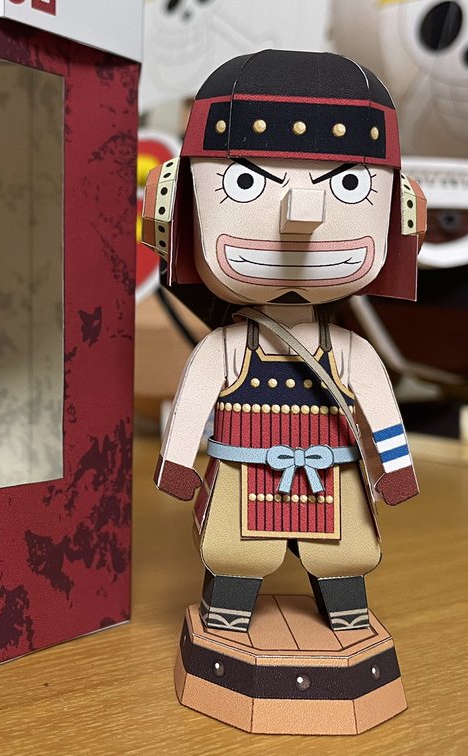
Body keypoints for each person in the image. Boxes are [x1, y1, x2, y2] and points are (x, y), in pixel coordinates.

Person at [143, 50, 425, 634]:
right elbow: (193, 405)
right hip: (243, 474)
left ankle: (346, 612)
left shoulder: (349, 352)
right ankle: (228, 614)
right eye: (245, 181)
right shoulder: (226, 349)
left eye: (349, 184)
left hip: (333, 477)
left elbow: (381, 409)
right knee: (236, 553)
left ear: (401, 210)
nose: (302, 215)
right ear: (176, 202)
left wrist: (396, 468)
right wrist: (176, 463)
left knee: (342, 554)